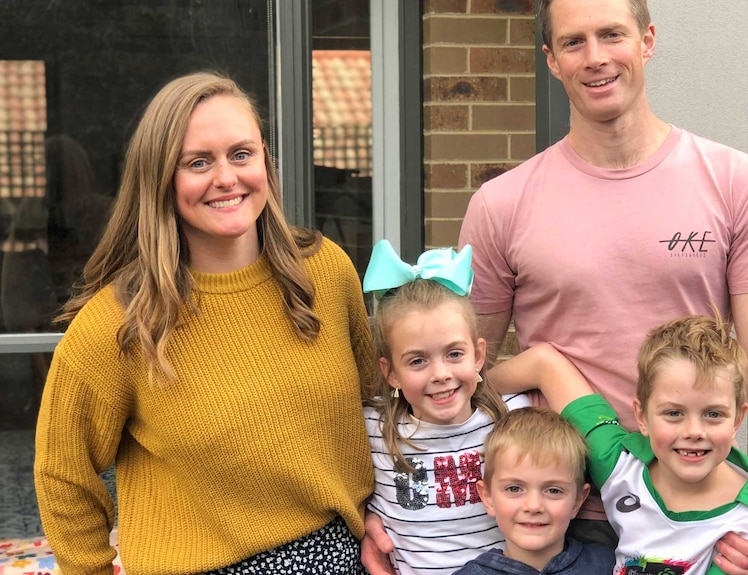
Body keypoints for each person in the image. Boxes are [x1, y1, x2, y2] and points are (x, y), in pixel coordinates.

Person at [454, 0, 748, 573]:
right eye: (574, 43)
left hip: (698, 520)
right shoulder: (501, 206)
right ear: (551, 60)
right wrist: (402, 510)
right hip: (557, 520)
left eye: (611, 35)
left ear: (646, 40)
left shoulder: (737, 183)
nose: (596, 58)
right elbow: (467, 375)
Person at [33, 71, 376, 575]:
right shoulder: (119, 323)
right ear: (161, 180)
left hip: (341, 559)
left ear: (266, 161)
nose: (226, 177)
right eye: (198, 162)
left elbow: (371, 409)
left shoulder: (325, 272)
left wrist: (386, 519)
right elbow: (63, 473)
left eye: (242, 154)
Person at [491, 313, 748, 575]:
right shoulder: (620, 463)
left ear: (737, 419)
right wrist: (464, 392)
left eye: (713, 414)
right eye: (674, 413)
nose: (693, 431)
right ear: (641, 416)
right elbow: (545, 365)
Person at [361, 239, 531, 575]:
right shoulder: (373, 428)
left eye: (454, 354)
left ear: (478, 356)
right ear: (391, 372)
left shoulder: (510, 417)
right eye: (418, 360)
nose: (441, 374)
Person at [452, 407, 614, 575]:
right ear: (488, 497)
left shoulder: (609, 565)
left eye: (553, 490)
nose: (534, 506)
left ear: (578, 500)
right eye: (514, 488)